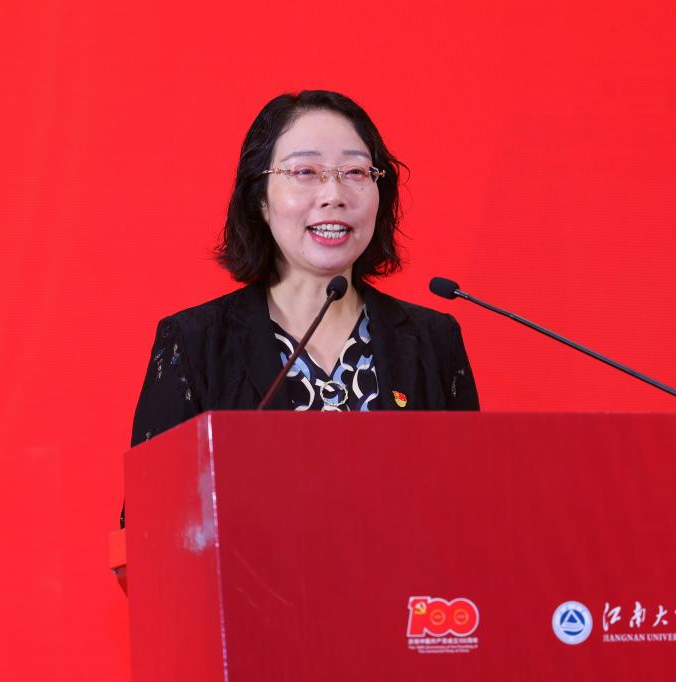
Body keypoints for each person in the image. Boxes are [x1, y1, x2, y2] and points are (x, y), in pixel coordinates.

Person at [122, 91, 479, 525]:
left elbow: (470, 512)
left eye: (355, 172)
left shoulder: (432, 341)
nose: (333, 194)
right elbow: (147, 526)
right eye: (305, 172)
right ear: (260, 199)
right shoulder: (196, 343)